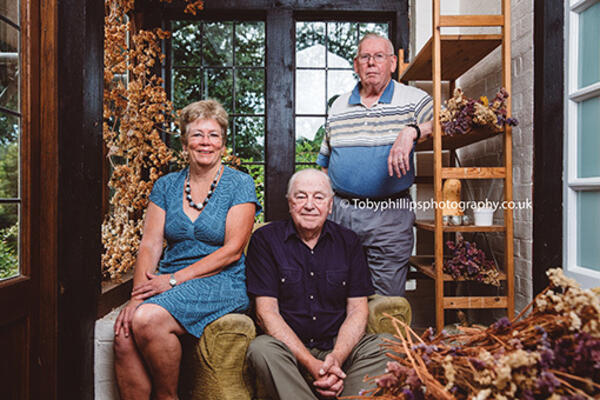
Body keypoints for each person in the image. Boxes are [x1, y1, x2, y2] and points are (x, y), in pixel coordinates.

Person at [113, 99, 261, 400]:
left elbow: (232, 251)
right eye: (197, 134)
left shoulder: (240, 184)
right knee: (124, 333)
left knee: (147, 319)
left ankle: (168, 397)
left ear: (223, 142)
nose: (205, 142)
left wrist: (173, 280)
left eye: (213, 135)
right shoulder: (166, 185)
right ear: (185, 141)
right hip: (168, 277)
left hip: (222, 280)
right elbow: (150, 244)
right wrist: (136, 297)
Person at [245, 169, 390, 399]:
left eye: (319, 197)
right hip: (289, 350)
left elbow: (357, 310)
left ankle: (341, 390)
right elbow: (266, 313)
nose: (309, 205)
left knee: (388, 344)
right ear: (290, 203)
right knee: (261, 349)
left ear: (330, 205)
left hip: (337, 346)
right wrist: (311, 363)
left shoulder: (349, 241)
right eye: (301, 196)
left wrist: (336, 358)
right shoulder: (265, 240)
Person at [316, 32, 434, 297]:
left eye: (378, 56)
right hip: (341, 214)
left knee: (387, 299)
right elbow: (324, 162)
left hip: (391, 215)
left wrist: (412, 131)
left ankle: (381, 341)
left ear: (392, 63)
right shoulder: (338, 106)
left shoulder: (413, 99)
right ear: (356, 65)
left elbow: (449, 122)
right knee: (335, 294)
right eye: (365, 57)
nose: (371, 63)